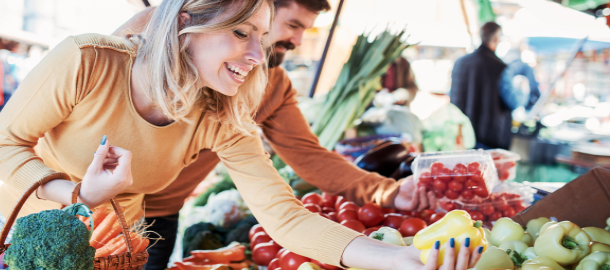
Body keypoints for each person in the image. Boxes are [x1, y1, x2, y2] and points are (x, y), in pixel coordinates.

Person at [0, 1, 481, 269]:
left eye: (261, 36)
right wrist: (78, 194)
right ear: (184, 23)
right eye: (242, 32)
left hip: (118, 253)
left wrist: (396, 259)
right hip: (27, 234)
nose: (259, 54)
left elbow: (284, 217)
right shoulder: (89, 60)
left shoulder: (221, 114)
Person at [114, 1, 435, 269]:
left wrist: (387, 194)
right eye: (293, 25)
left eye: (304, 31)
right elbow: (94, 103)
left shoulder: (261, 92)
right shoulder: (152, 30)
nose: (297, 40)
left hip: (156, 219)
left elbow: (307, 162)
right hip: (94, 205)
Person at [450, 22, 528, 150]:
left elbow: (453, 97)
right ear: (497, 39)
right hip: (489, 139)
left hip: (461, 136)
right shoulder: (500, 67)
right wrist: (523, 90)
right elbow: (514, 101)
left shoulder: (460, 63)